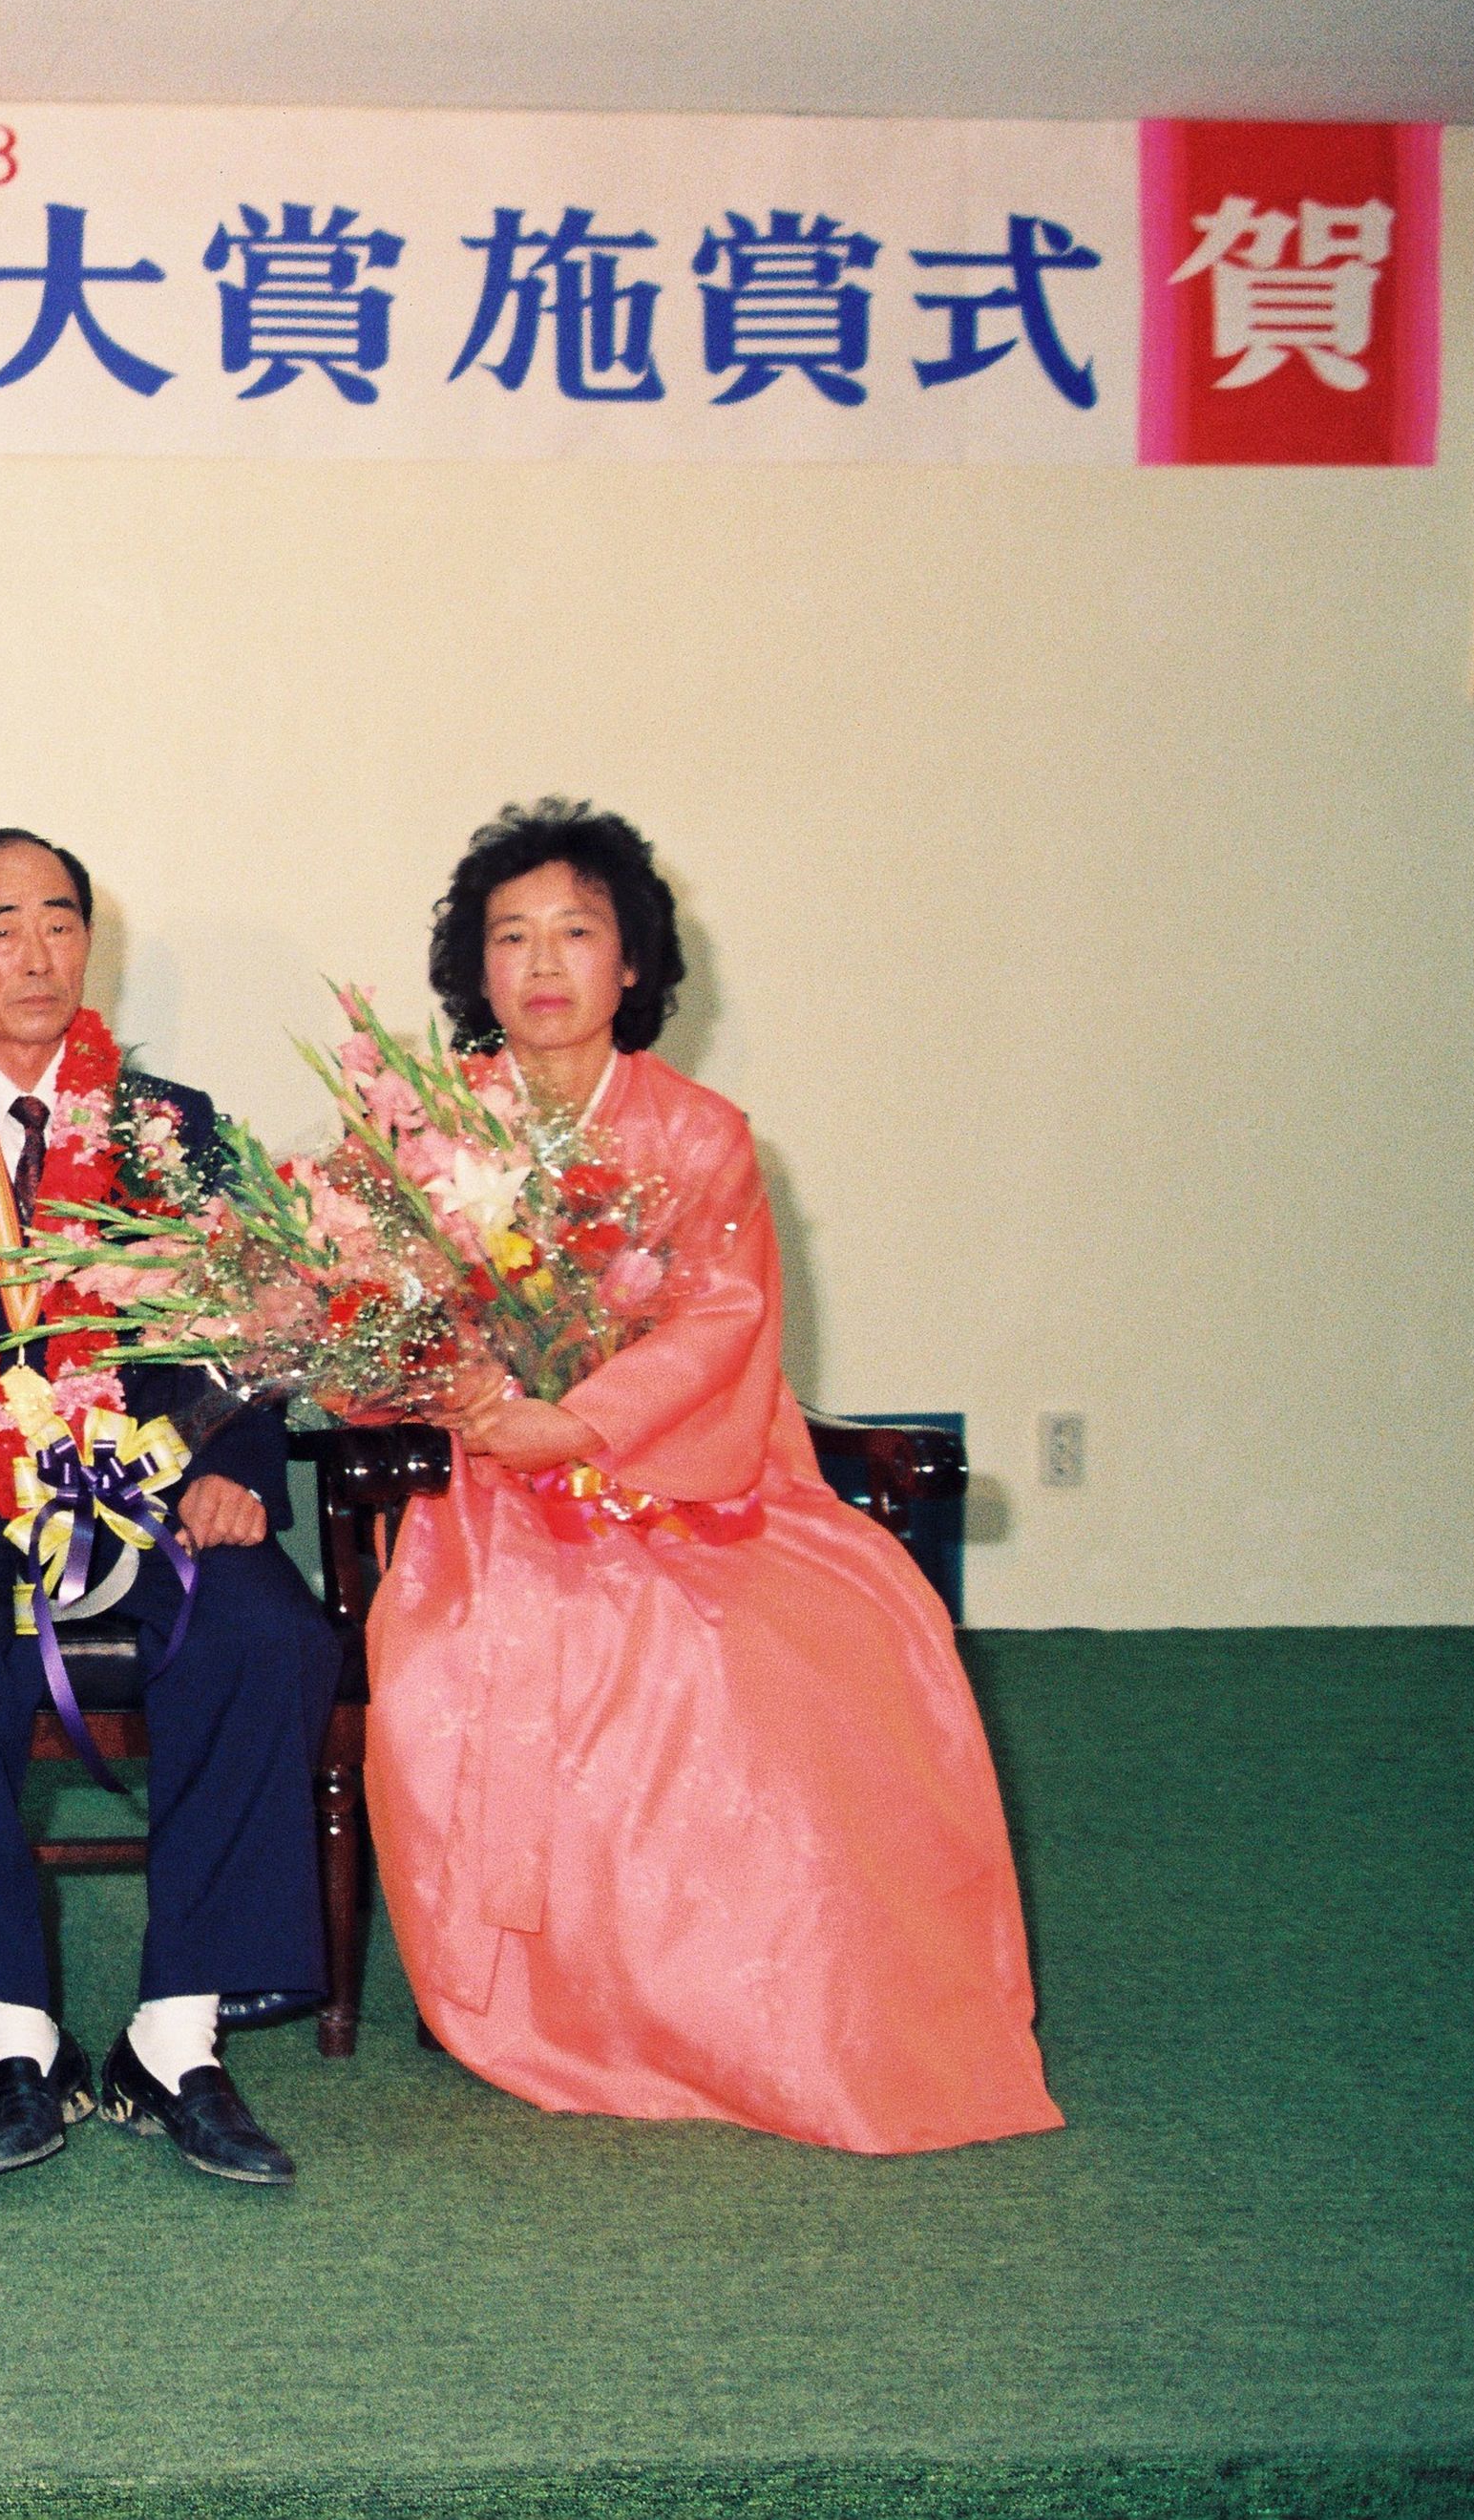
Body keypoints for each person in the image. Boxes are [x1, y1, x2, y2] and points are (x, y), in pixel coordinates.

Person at [367, 800, 1061, 2154]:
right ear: (475, 969)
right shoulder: (429, 1135)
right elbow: (376, 1315)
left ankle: (770, 2013)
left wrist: (580, 1424)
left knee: (784, 1653)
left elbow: (720, 1323)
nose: (544, 962)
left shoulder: (700, 1133)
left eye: (578, 932)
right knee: (522, 1656)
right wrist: (481, 1405)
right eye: (511, 936)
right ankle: (556, 2001)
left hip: (692, 1481)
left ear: (633, 963)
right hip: (489, 1500)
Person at [0, 830, 344, 2183]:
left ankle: (177, 2038)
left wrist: (235, 1468)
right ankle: (16, 2038)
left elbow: (246, 1325)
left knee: (266, 1634)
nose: (36, 954)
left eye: (59, 923)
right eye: (1, 928)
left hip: (160, 1484)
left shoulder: (174, 1124)